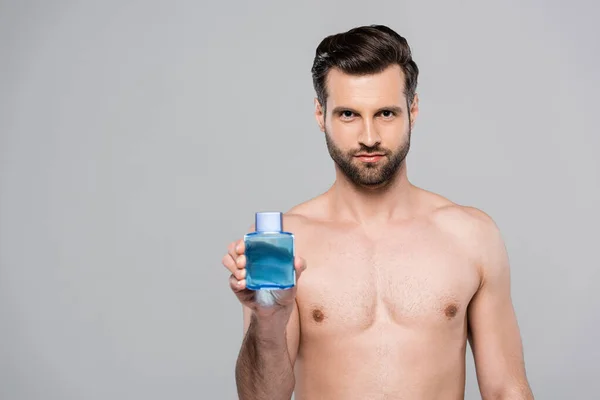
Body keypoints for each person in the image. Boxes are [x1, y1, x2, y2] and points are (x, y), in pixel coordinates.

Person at [222, 24, 534, 400]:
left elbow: (506, 390)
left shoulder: (471, 236)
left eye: (385, 113)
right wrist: (268, 321)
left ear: (412, 110)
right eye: (349, 115)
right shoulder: (286, 243)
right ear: (321, 115)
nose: (369, 136)